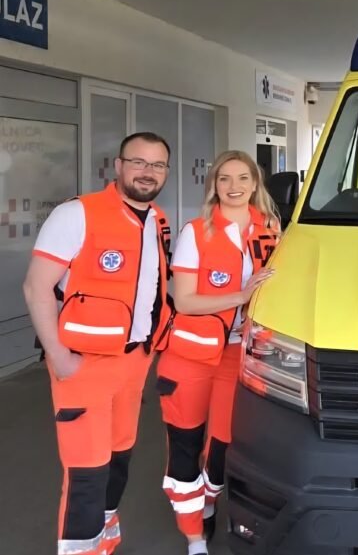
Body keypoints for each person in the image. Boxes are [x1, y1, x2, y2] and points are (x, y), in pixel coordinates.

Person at [23, 132, 174, 555]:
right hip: (83, 364)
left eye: (157, 165)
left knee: (118, 459)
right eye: (138, 162)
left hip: (134, 362)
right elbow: (36, 288)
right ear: (119, 166)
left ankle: (103, 544)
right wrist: (59, 357)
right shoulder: (77, 214)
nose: (147, 172)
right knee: (86, 473)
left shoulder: (156, 220)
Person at [157, 150, 279, 555]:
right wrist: (240, 296)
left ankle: (208, 499)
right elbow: (185, 301)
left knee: (225, 442)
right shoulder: (197, 232)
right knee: (186, 444)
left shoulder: (272, 231)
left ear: (255, 183)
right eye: (224, 178)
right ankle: (194, 537)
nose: (234, 186)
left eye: (243, 178)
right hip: (190, 355)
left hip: (239, 354)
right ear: (214, 185)